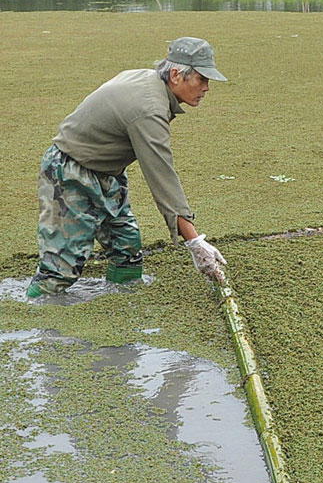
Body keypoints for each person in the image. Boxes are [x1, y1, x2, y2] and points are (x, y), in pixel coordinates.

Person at [26, 37, 228, 298]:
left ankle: (120, 306)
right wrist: (195, 242)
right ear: (176, 75)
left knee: (127, 250)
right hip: (70, 173)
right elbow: (162, 177)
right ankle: (35, 327)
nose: (206, 88)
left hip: (107, 174)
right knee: (60, 268)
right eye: (201, 79)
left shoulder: (148, 81)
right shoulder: (149, 109)